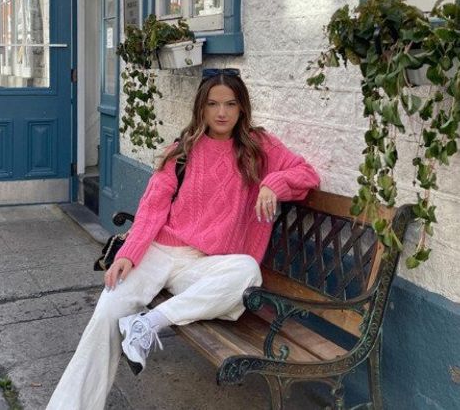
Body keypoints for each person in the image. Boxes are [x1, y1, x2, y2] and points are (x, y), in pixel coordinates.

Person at [46, 70, 319, 410]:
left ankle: (148, 325)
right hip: (160, 251)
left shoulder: (259, 148)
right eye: (213, 104)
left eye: (231, 104)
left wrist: (272, 183)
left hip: (203, 266)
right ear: (201, 109)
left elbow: (307, 174)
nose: (222, 113)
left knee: (248, 270)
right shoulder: (184, 150)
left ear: (242, 108)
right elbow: (151, 208)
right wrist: (129, 254)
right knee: (106, 314)